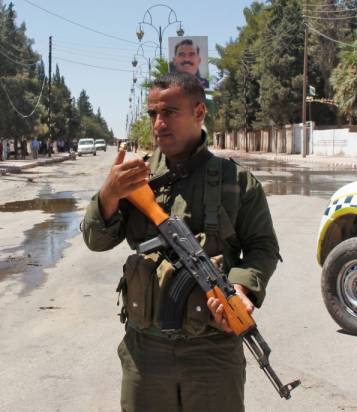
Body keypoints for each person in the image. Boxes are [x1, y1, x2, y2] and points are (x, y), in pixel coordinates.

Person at [81, 72, 279, 411]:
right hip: (146, 351)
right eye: (153, 114)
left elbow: (263, 247)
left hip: (212, 352)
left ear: (199, 112)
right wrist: (109, 193)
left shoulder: (236, 181)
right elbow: (96, 240)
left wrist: (242, 289)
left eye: (170, 112)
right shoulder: (134, 177)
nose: (158, 124)